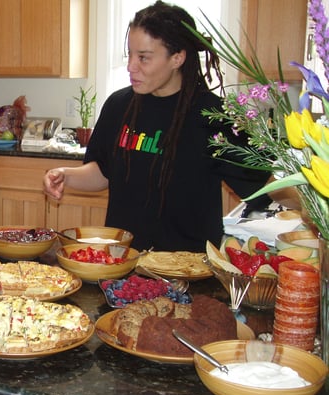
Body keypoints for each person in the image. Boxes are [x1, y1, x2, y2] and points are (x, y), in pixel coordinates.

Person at [43, 1, 269, 252]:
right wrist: (66, 174)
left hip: (189, 270)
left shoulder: (213, 116)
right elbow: (104, 172)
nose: (131, 66)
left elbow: (264, 185)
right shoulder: (119, 105)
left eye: (144, 58)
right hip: (123, 262)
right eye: (130, 54)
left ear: (177, 58)